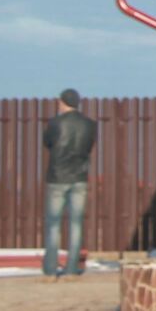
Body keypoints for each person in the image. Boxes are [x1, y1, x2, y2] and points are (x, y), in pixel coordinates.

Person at [41, 88, 97, 279]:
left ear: (62, 102)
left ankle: (50, 270)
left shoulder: (55, 123)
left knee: (53, 224)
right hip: (79, 177)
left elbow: (47, 142)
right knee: (76, 224)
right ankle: (72, 269)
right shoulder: (90, 124)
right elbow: (88, 146)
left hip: (57, 177)